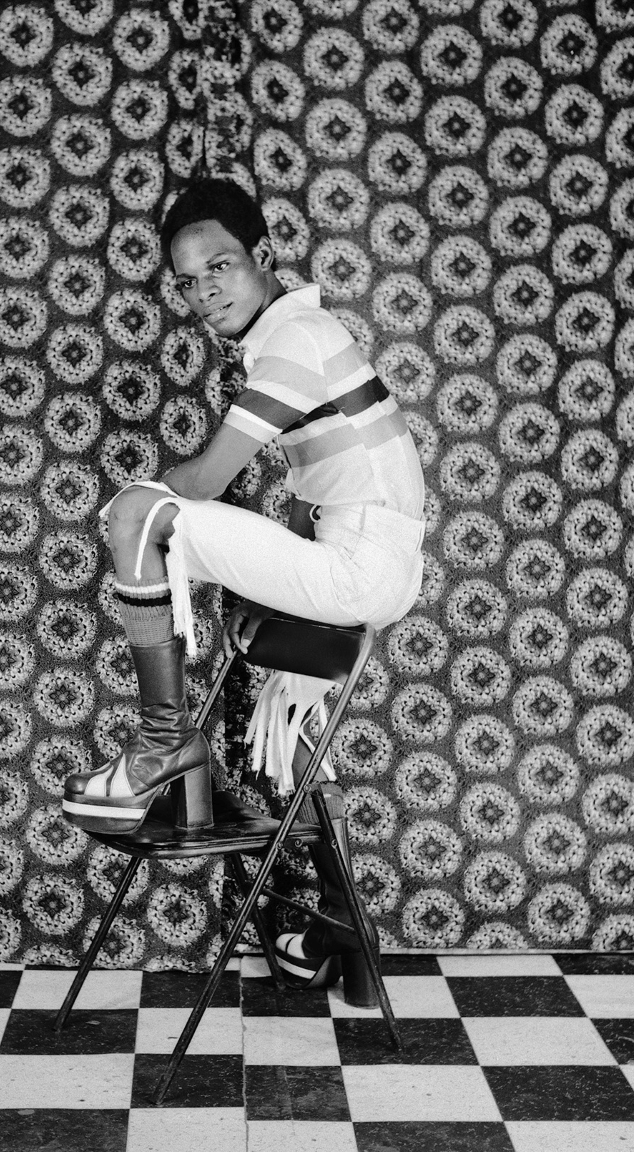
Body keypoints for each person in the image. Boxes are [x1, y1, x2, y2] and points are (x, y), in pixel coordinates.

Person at [61, 177, 427, 992]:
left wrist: (142, 512)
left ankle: (164, 740)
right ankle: (343, 930)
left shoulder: (297, 336)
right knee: (286, 725)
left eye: (220, 266)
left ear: (264, 257)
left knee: (133, 516)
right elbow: (317, 489)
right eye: (187, 282)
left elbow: (207, 478)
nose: (203, 293)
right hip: (361, 555)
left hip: (361, 561)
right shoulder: (291, 337)